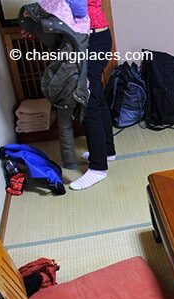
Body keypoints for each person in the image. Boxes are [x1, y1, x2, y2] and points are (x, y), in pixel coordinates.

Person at [69, 0, 116, 190]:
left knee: (87, 102)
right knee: (96, 95)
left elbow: (77, 9)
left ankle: (97, 168)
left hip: (91, 40)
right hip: (93, 38)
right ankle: (107, 151)